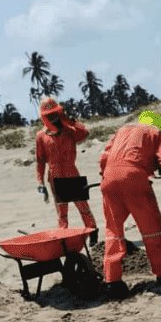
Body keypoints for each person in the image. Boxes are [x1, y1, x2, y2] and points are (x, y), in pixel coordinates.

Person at [98, 110, 161, 300]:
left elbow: (103, 158)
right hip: (134, 179)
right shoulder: (156, 133)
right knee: (153, 229)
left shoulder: (122, 130)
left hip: (109, 180)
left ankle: (112, 282)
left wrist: (107, 176)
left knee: (113, 231)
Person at [34, 97, 98, 238]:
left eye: (55, 113)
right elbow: (40, 161)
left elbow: (85, 133)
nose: (53, 117)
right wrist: (40, 182)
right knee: (62, 212)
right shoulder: (41, 136)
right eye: (49, 115)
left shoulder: (69, 130)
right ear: (44, 117)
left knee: (83, 207)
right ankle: (64, 240)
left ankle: (93, 233)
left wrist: (68, 120)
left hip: (72, 173)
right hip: (55, 177)